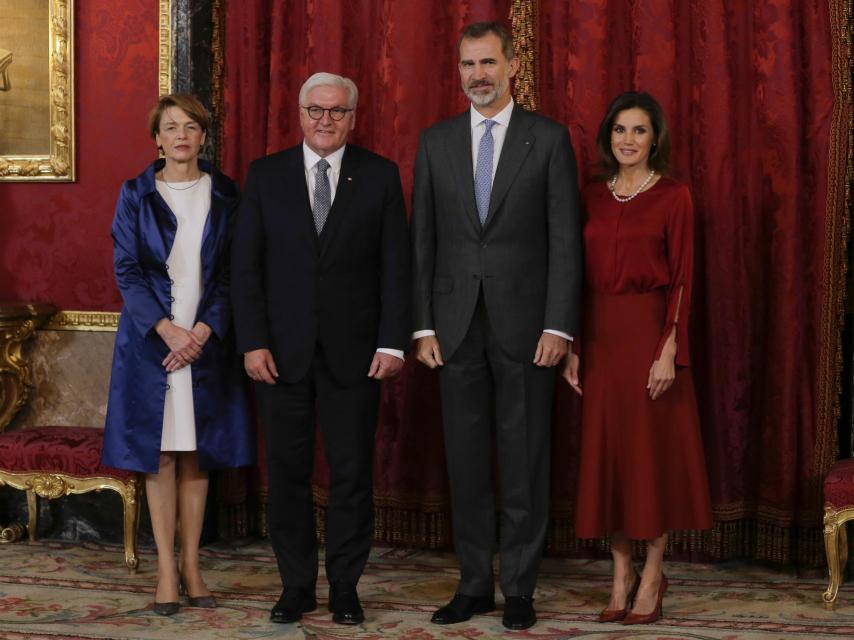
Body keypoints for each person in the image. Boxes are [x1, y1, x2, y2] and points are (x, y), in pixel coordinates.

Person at [411, 21, 581, 631]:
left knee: (525, 458)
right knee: (465, 463)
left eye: (487, 63)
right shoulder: (435, 141)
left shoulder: (549, 139)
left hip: (528, 329)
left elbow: (565, 241)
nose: (477, 75)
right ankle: (474, 585)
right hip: (454, 328)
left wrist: (559, 325)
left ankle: (520, 589)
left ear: (512, 66)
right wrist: (423, 326)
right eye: (467, 64)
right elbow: (422, 240)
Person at [230, 72, 411, 626]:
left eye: (336, 111)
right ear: (300, 113)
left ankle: (345, 588)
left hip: (356, 356)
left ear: (353, 118)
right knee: (286, 475)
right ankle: (297, 586)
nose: (325, 120)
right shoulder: (266, 175)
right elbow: (245, 268)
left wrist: (392, 342)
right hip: (279, 357)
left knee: (352, 474)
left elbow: (396, 268)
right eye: (316, 110)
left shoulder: (379, 175)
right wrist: (252, 342)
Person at [562, 91, 713, 625]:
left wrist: (670, 349)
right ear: (609, 137)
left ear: (655, 139)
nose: (628, 140)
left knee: (651, 458)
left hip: (650, 336)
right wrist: (573, 347)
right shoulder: (590, 196)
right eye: (620, 130)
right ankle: (620, 574)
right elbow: (573, 278)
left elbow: (682, 278)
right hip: (599, 338)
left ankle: (652, 574)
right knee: (611, 458)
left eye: (639, 130)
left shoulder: (674, 195)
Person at [102, 93, 254, 616]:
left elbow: (233, 272)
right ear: (157, 138)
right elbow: (127, 270)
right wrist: (168, 331)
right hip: (152, 342)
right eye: (171, 127)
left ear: (203, 136)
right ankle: (166, 569)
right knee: (161, 452)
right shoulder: (135, 194)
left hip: (206, 340)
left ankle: (192, 565)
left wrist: (202, 332)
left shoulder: (227, 193)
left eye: (191, 126)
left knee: (197, 451)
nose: (181, 135)